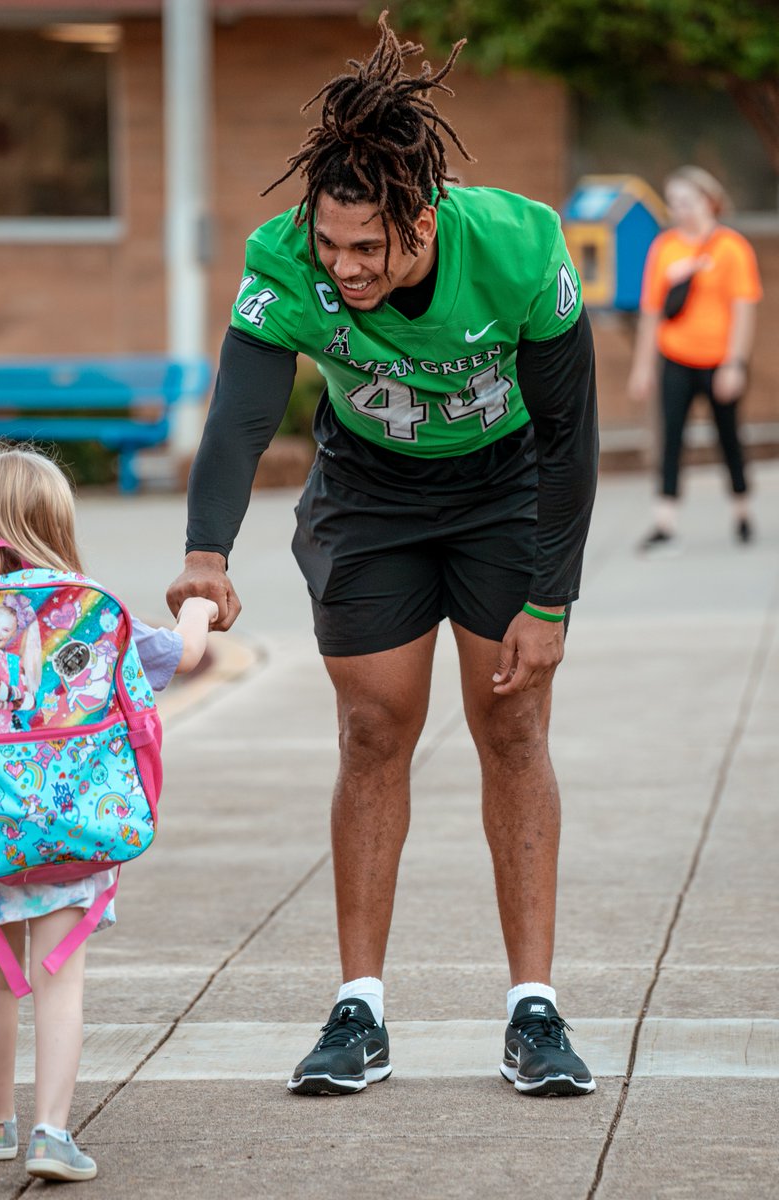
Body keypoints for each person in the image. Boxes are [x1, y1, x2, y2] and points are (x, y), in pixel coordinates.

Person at [167, 15, 599, 1098]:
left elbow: (570, 437)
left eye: (372, 247)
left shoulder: (519, 249)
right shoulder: (286, 264)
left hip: (504, 490)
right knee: (372, 728)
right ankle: (358, 1009)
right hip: (370, 493)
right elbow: (238, 419)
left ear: (424, 217)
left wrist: (551, 601)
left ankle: (533, 1012)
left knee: (511, 725)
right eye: (332, 246)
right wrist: (206, 553)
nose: (347, 269)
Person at [0, 446, 218, 1180]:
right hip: (79, 825)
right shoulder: (92, 608)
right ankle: (51, 1133)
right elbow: (182, 657)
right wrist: (197, 605)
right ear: (58, 524)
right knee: (62, 980)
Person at [628, 166, 762, 553]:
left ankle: (742, 510)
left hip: (721, 360)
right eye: (672, 203)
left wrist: (734, 363)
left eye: (686, 201)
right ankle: (664, 520)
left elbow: (744, 309)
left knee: (728, 435)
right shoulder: (665, 248)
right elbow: (651, 312)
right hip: (676, 358)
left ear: (709, 201)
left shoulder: (732, 248)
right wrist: (642, 367)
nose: (679, 209)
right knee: (671, 436)